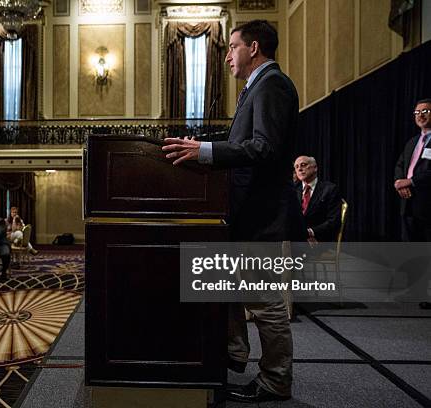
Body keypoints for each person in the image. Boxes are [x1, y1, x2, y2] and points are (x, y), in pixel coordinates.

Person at [163, 20, 305, 403]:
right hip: (245, 213)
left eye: (232, 46)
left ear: (253, 47)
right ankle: (235, 352)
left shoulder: (272, 84)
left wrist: (206, 152)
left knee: (265, 302)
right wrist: (203, 148)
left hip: (261, 214)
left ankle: (276, 380)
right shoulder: (256, 87)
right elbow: (243, 145)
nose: (226, 54)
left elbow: (265, 149)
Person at [394, 98, 431, 310]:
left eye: (426, 111)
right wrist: (399, 182)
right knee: (413, 248)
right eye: (417, 112)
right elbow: (400, 165)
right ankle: (416, 290)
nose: (421, 115)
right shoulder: (412, 142)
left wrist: (412, 181)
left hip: (428, 204)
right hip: (408, 203)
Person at [294, 156, 342, 244]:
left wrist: (311, 233)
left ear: (315, 168)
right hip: (296, 238)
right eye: (296, 167)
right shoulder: (293, 189)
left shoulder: (329, 189)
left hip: (320, 239)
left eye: (303, 165)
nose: (299, 169)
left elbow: (333, 221)